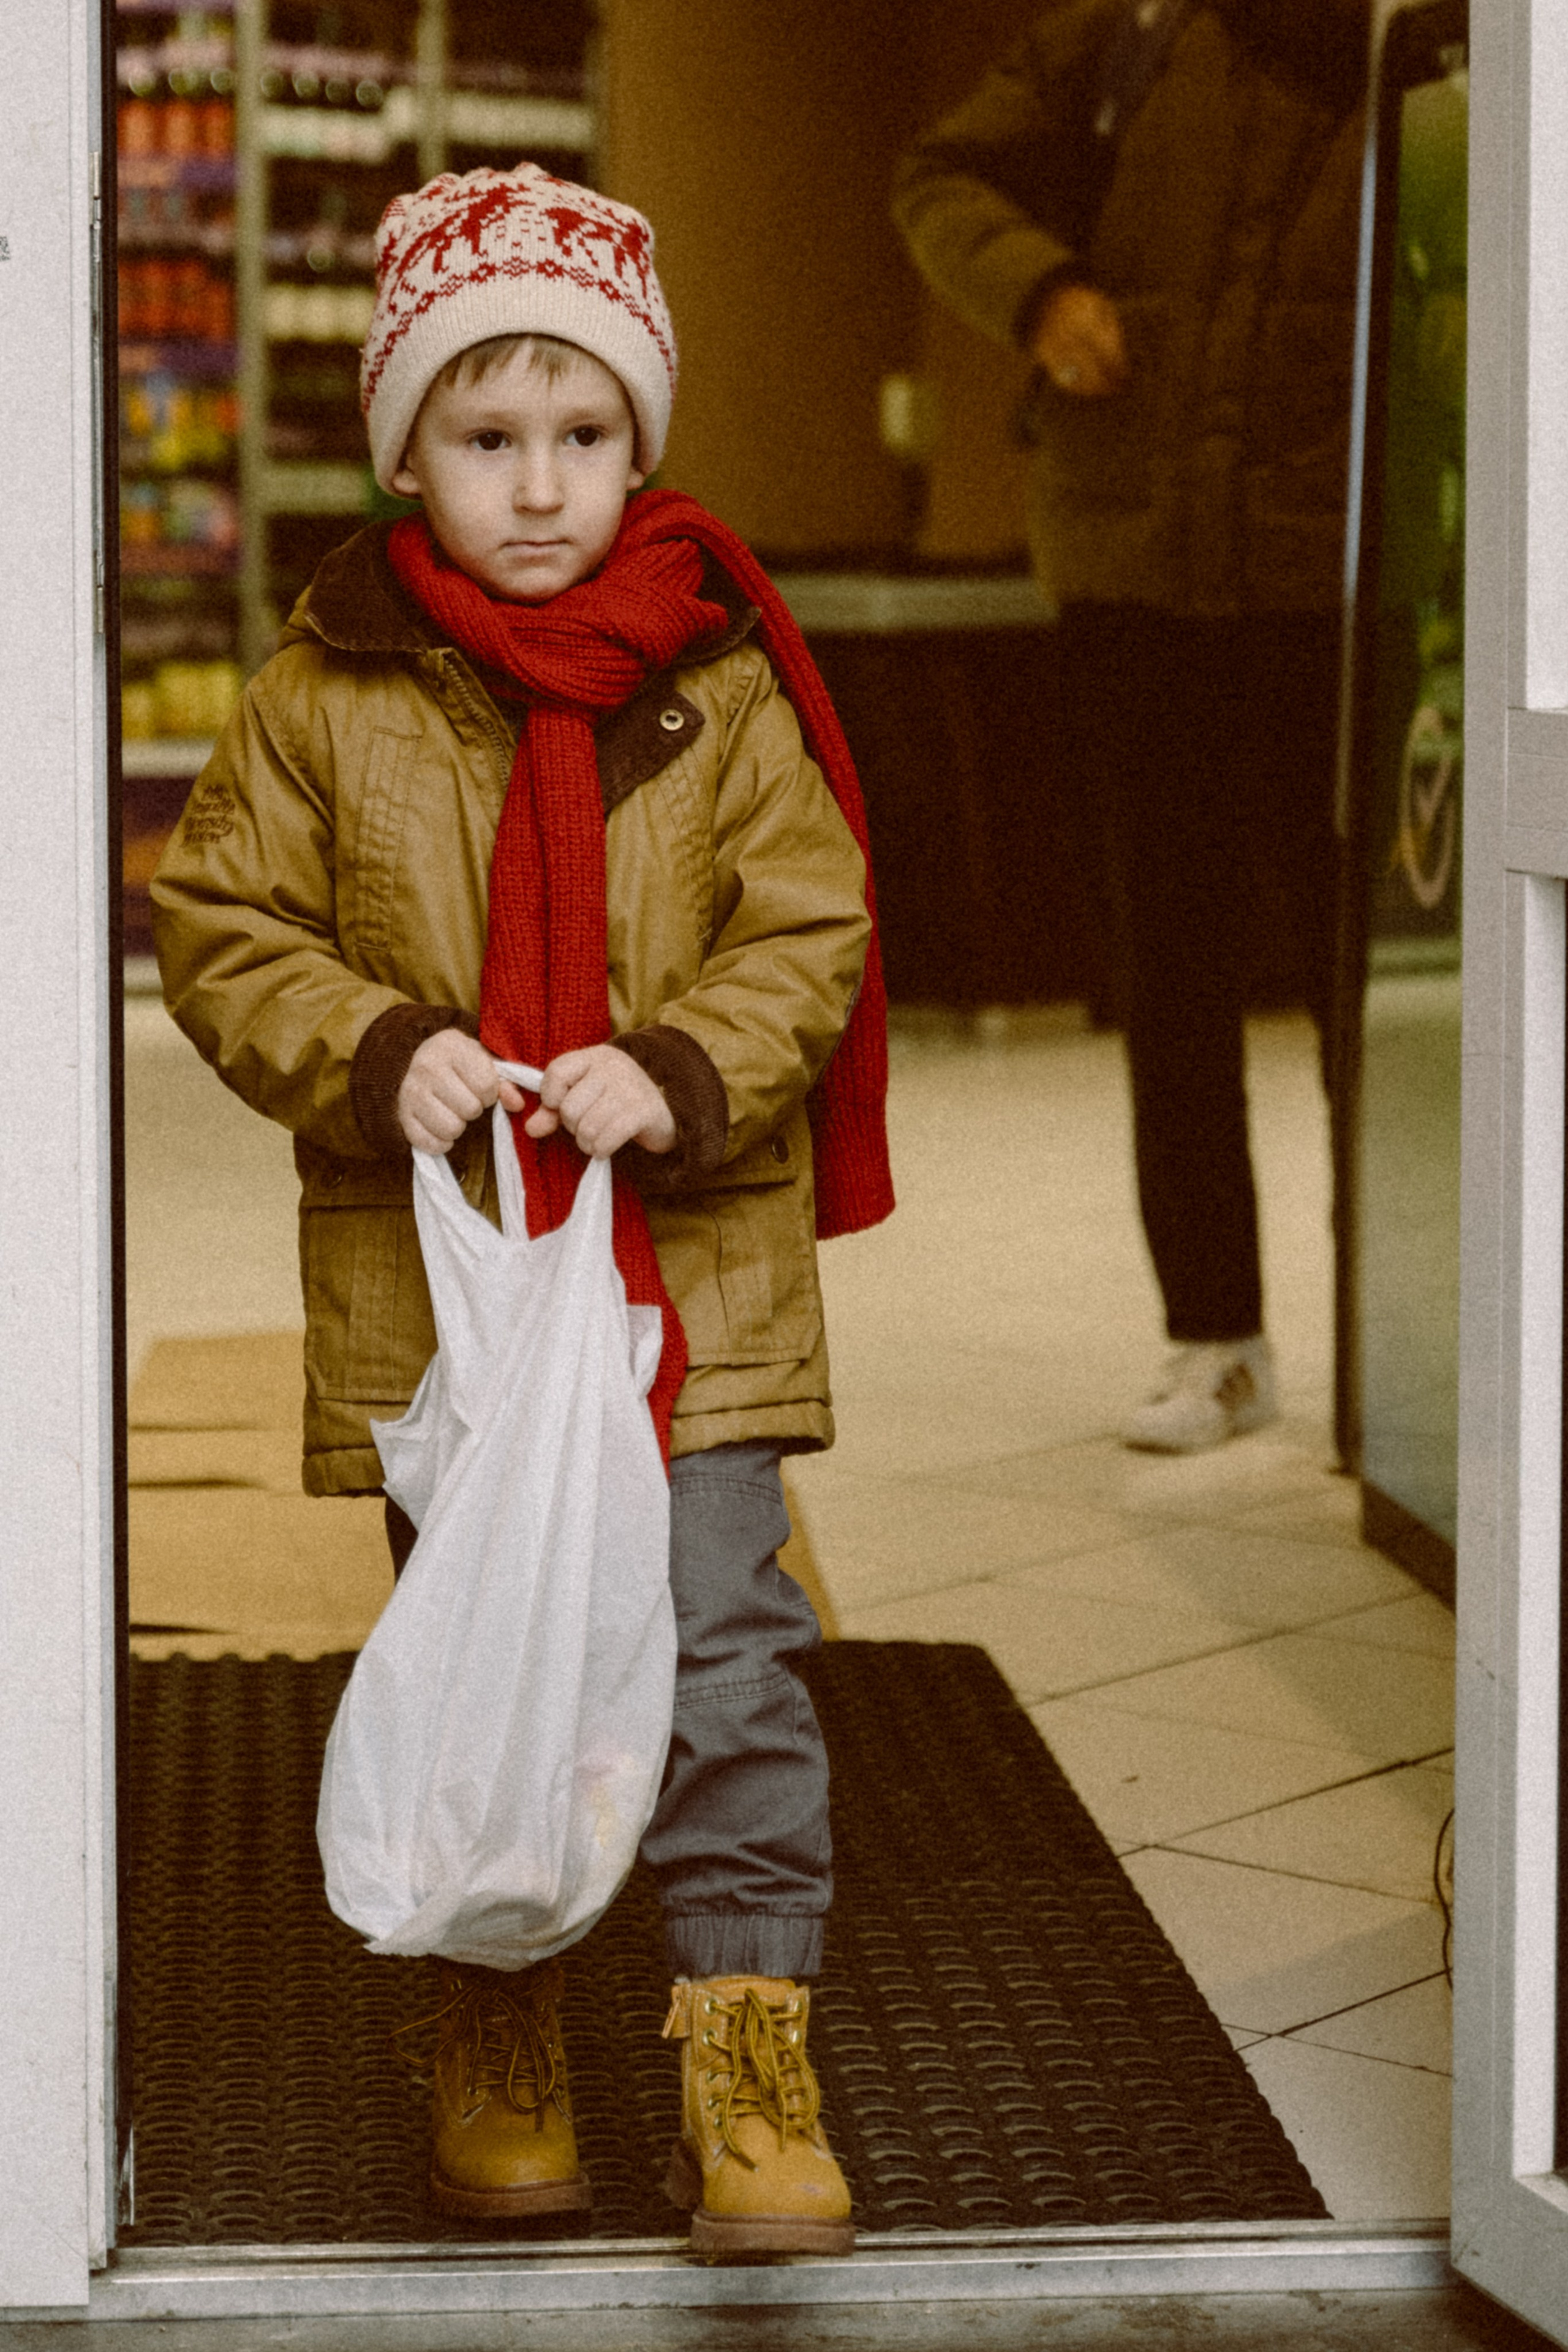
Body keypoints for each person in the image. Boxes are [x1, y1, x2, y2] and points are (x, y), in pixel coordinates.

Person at [151, 159, 894, 2260]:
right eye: (487, 439)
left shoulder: (720, 685)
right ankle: (504, 2023)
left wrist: (675, 1065)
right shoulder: (329, 687)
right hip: (450, 1296)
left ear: (640, 443)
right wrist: (384, 1049)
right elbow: (220, 919)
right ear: (410, 454)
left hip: (693, 1275)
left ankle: (746, 2048)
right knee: (493, 1655)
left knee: (724, 1653)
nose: (543, 487)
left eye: (586, 435)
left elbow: (808, 919)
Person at [894, 0, 1369, 1451]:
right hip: (1133, 564)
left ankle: (1392, 1353)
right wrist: (1037, 294)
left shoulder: (1429, 45)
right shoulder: (1130, 30)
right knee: (1168, 971)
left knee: (1374, 998)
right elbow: (937, 178)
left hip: (1338, 582)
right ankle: (1214, 1339)